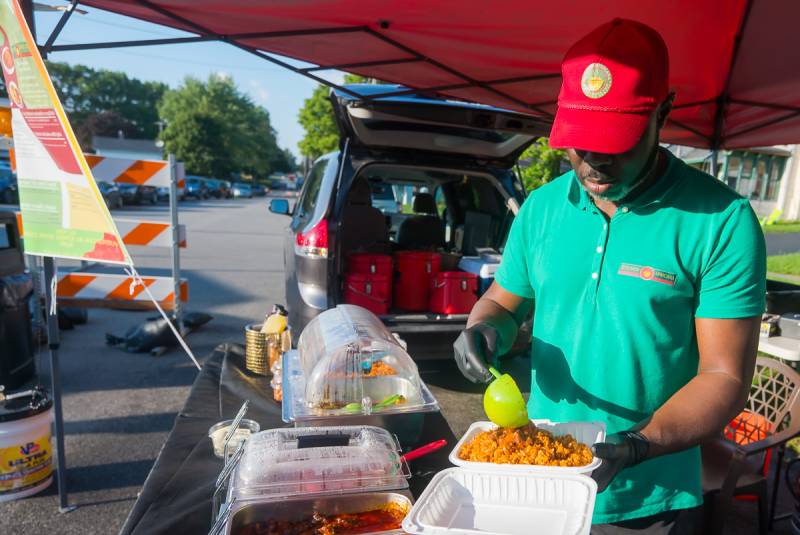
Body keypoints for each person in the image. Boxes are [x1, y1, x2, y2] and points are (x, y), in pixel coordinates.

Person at [453, 18, 765, 534]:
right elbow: (504, 304)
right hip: (541, 473)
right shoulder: (541, 208)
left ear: (663, 111)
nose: (593, 161)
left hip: (647, 491)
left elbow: (724, 377)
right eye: (579, 142)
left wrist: (641, 443)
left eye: (614, 141)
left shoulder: (721, 221)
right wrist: (485, 329)